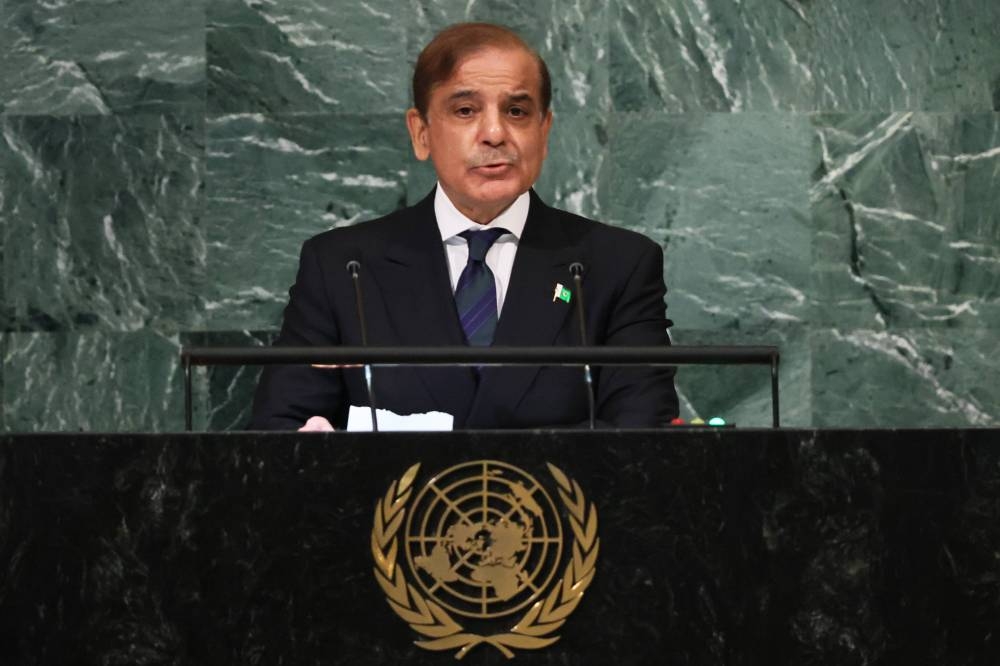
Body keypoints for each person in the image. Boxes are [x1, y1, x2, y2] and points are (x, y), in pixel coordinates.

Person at [249, 22, 678, 430]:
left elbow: (641, 439)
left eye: (516, 110)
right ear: (421, 133)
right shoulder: (343, 267)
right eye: (466, 110)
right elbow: (283, 429)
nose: (494, 133)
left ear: (544, 133)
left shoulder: (617, 266)